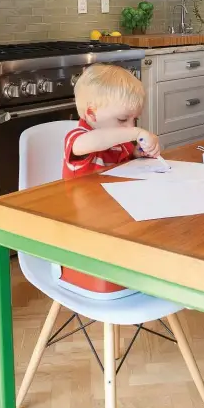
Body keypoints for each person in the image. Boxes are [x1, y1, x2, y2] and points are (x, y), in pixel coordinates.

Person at [60, 63, 160, 296]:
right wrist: (134, 134)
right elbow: (88, 144)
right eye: (123, 119)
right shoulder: (78, 138)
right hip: (84, 241)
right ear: (91, 114)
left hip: (115, 227)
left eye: (134, 120)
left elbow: (120, 166)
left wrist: (137, 154)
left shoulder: (120, 143)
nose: (131, 126)